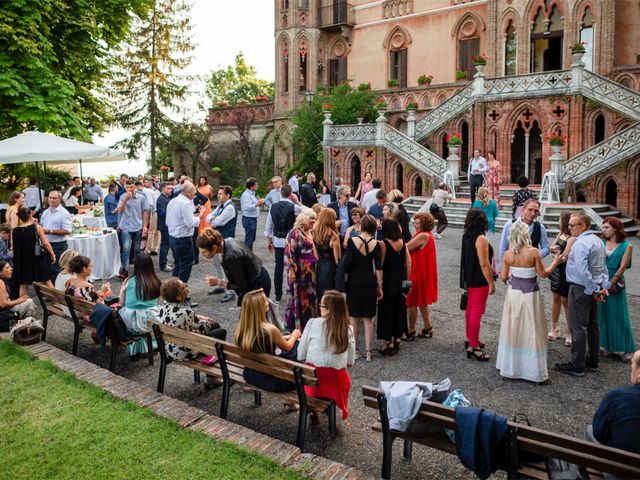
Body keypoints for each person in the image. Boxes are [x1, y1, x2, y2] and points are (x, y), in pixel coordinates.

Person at [497, 221, 562, 383]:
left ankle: (511, 367)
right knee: (533, 328)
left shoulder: (507, 254)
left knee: (513, 328)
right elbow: (543, 274)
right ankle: (532, 371)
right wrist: (556, 262)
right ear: (526, 234)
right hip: (530, 295)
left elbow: (503, 277)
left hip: (514, 295)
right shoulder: (534, 252)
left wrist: (514, 274)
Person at [556, 213, 610, 377]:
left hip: (581, 288)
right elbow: (602, 268)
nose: (569, 228)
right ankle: (593, 361)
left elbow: (582, 270)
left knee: (578, 326)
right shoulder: (597, 241)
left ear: (584, 226)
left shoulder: (581, 243)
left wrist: (593, 289)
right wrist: (602, 286)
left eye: (573, 225)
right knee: (593, 325)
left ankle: (577, 364)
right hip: (593, 288)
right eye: (570, 225)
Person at [157, 278, 227, 388]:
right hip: (185, 352)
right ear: (179, 297)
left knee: (212, 328)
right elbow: (202, 328)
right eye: (184, 286)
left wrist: (198, 317)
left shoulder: (164, 306)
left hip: (170, 349)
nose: (186, 286)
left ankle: (212, 374)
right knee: (219, 330)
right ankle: (211, 377)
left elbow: (182, 319)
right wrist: (207, 321)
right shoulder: (186, 312)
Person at [298, 290, 356, 421]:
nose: (319, 308)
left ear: (330, 310)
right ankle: (330, 402)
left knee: (315, 372)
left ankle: (315, 410)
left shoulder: (312, 323)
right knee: (343, 377)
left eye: (322, 306)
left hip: (313, 379)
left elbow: (301, 352)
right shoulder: (347, 329)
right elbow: (350, 362)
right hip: (335, 382)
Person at [235, 288, 301, 397]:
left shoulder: (241, 329)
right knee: (297, 346)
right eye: (265, 300)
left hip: (251, 375)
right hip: (274, 380)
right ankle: (293, 401)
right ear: (260, 308)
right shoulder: (269, 330)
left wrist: (285, 337)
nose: (268, 300)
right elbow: (288, 347)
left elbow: (269, 339)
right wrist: (294, 336)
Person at [342, 214, 382, 362]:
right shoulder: (376, 244)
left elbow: (348, 263)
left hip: (354, 282)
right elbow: (378, 268)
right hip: (369, 282)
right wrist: (380, 285)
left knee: (353, 318)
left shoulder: (353, 241)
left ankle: (355, 351)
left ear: (363, 226)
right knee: (368, 318)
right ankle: (369, 352)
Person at [587, 350, 640, 457]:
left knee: (589, 430)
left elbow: (598, 433)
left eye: (632, 364)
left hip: (619, 470)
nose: (631, 368)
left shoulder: (619, 396)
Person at [197, 228, 271, 305]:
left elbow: (242, 287)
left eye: (204, 252)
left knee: (254, 316)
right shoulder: (228, 241)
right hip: (258, 277)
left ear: (214, 247)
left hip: (257, 286)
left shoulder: (230, 257)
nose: (203, 255)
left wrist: (218, 282)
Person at [598, 217, 635, 362]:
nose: (604, 230)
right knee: (603, 313)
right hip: (601, 280)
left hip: (615, 282)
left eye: (606, 227)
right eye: (603, 227)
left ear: (615, 228)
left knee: (619, 315)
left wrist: (610, 283)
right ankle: (608, 345)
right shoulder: (601, 242)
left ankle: (628, 348)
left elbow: (623, 267)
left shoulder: (627, 245)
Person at [460, 209, 495, 362]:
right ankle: (474, 347)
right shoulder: (481, 239)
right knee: (476, 312)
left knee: (470, 310)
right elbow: (484, 264)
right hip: (479, 280)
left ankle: (470, 339)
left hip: (469, 278)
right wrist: (491, 283)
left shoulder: (466, 236)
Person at [377, 218, 411, 355]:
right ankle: (398, 337)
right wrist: (407, 282)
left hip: (388, 281)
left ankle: (388, 341)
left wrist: (379, 284)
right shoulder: (403, 243)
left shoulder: (383, 244)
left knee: (386, 310)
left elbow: (380, 265)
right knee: (400, 309)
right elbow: (409, 262)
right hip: (401, 280)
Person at [118, 253, 161, 359]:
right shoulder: (156, 282)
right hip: (150, 323)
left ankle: (136, 350)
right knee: (156, 314)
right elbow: (158, 304)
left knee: (128, 312)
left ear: (136, 266)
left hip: (129, 323)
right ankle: (154, 346)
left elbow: (121, 303)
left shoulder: (128, 281)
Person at [405, 212, 438, 340]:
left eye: (417, 223)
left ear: (423, 224)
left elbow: (405, 248)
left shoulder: (422, 236)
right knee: (422, 301)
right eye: (414, 222)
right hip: (422, 271)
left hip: (417, 272)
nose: (414, 224)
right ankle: (427, 326)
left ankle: (411, 330)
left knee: (412, 302)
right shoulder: (426, 235)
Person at [265, 184, 300, 303]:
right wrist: (298, 202)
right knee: (292, 267)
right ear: (291, 194)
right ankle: (293, 293)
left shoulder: (273, 207)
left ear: (281, 193)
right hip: (290, 241)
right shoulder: (294, 207)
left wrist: (269, 239)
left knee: (278, 267)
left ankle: (278, 295)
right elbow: (309, 213)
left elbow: (269, 225)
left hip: (278, 240)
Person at [284, 209, 318, 332]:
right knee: (298, 297)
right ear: (304, 219)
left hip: (311, 272)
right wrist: (291, 270)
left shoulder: (310, 231)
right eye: (311, 220)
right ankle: (298, 327)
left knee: (310, 298)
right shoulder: (294, 233)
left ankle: (310, 325)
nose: (313, 223)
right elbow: (289, 253)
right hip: (300, 271)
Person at [166, 181, 205, 287]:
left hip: (173, 238)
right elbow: (190, 223)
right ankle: (181, 294)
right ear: (188, 193)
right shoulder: (186, 203)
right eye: (194, 193)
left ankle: (172, 290)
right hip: (183, 239)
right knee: (185, 267)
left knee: (178, 264)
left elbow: (168, 221)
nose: (195, 195)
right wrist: (200, 215)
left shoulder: (172, 201)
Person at [11, 208, 55, 296]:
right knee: (46, 280)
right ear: (30, 215)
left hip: (22, 260)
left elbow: (13, 248)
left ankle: (24, 307)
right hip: (37, 257)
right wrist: (52, 254)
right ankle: (59, 302)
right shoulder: (36, 227)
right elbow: (45, 243)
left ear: (19, 217)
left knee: (23, 284)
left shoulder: (14, 231)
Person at [207, 185, 238, 302]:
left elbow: (216, 222)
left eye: (220, 194)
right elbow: (208, 217)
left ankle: (230, 291)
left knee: (226, 266)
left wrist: (213, 219)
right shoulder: (221, 206)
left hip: (226, 240)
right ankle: (220, 285)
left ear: (227, 196)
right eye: (218, 194)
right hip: (217, 239)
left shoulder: (230, 207)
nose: (218, 196)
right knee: (216, 262)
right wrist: (213, 218)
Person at [548, 212, 573, 345]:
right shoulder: (561, 234)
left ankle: (569, 332)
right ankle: (554, 328)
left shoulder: (571, 238)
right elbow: (552, 248)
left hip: (565, 271)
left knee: (566, 301)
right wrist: (555, 252)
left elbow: (565, 256)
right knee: (555, 299)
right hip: (556, 270)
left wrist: (556, 254)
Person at [499, 198, 549, 265]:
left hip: (531, 267)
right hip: (512, 266)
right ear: (523, 209)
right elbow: (503, 247)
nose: (533, 213)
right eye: (530, 210)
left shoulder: (540, 227)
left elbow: (546, 247)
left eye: (536, 211)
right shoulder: (510, 224)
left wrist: (535, 255)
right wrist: (502, 266)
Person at [116, 180, 149, 279]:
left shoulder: (141, 198)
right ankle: (124, 270)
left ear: (135, 187)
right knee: (126, 248)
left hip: (137, 225)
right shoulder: (122, 197)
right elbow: (120, 211)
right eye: (128, 187)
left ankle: (138, 269)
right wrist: (126, 199)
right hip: (125, 226)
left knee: (137, 248)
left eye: (132, 187)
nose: (130, 189)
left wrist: (145, 226)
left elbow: (145, 212)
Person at [40, 191, 72, 281]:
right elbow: (42, 227)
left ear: (59, 199)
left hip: (58, 245)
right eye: (50, 198)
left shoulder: (64, 213)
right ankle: (51, 291)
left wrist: (50, 231)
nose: (52, 200)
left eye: (54, 198)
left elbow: (68, 230)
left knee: (56, 270)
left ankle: (58, 291)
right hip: (46, 245)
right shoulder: (45, 212)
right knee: (47, 269)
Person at [314, 208, 341, 302]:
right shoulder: (334, 236)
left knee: (320, 293)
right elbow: (338, 259)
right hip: (331, 268)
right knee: (330, 295)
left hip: (320, 266)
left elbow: (316, 255)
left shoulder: (315, 233)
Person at [240, 177, 265, 251]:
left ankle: (249, 255)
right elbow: (246, 207)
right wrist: (257, 203)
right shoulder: (246, 195)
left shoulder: (252, 194)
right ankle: (246, 256)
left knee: (251, 239)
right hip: (249, 219)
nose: (257, 186)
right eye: (256, 185)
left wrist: (257, 202)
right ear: (251, 186)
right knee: (249, 239)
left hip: (252, 219)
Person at [155, 182, 173, 272]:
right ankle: (163, 265)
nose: (171, 190)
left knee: (166, 245)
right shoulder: (161, 199)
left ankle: (164, 262)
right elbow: (162, 213)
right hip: (164, 225)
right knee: (165, 245)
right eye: (168, 188)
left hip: (167, 225)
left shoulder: (166, 198)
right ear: (163, 189)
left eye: (171, 188)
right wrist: (173, 212)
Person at [143, 177, 161, 255]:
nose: (144, 184)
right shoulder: (153, 191)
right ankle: (155, 248)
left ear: (151, 182)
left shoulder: (154, 191)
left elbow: (150, 204)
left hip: (154, 212)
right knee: (156, 231)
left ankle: (149, 248)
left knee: (152, 231)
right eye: (144, 182)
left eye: (146, 182)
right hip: (155, 212)